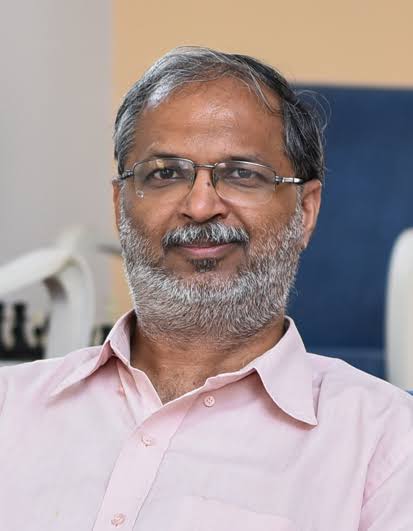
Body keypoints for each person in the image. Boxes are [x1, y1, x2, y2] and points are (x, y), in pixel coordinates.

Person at [0, 46, 412, 530]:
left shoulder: (386, 444)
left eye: (242, 174)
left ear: (305, 211)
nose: (199, 206)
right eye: (165, 173)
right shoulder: (11, 406)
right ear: (120, 206)